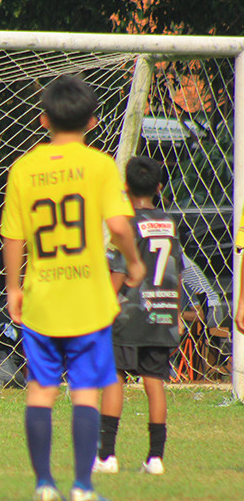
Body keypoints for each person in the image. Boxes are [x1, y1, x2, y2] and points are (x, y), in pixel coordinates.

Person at [2, 75, 145, 501]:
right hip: (88, 300)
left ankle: (45, 484)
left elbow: (13, 237)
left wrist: (12, 289)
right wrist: (135, 263)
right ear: (94, 121)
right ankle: (82, 486)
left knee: (41, 390)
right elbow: (119, 226)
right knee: (86, 390)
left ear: (43, 119)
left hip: (42, 298)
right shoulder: (100, 166)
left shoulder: (24, 168)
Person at [95, 156, 182, 476]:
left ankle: (107, 456)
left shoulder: (126, 225)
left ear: (125, 188)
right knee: (155, 382)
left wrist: (105, 306)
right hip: (161, 313)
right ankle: (156, 458)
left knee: (114, 379)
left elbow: (118, 270)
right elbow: (177, 271)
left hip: (129, 314)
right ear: (159, 187)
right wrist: (175, 312)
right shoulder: (170, 224)